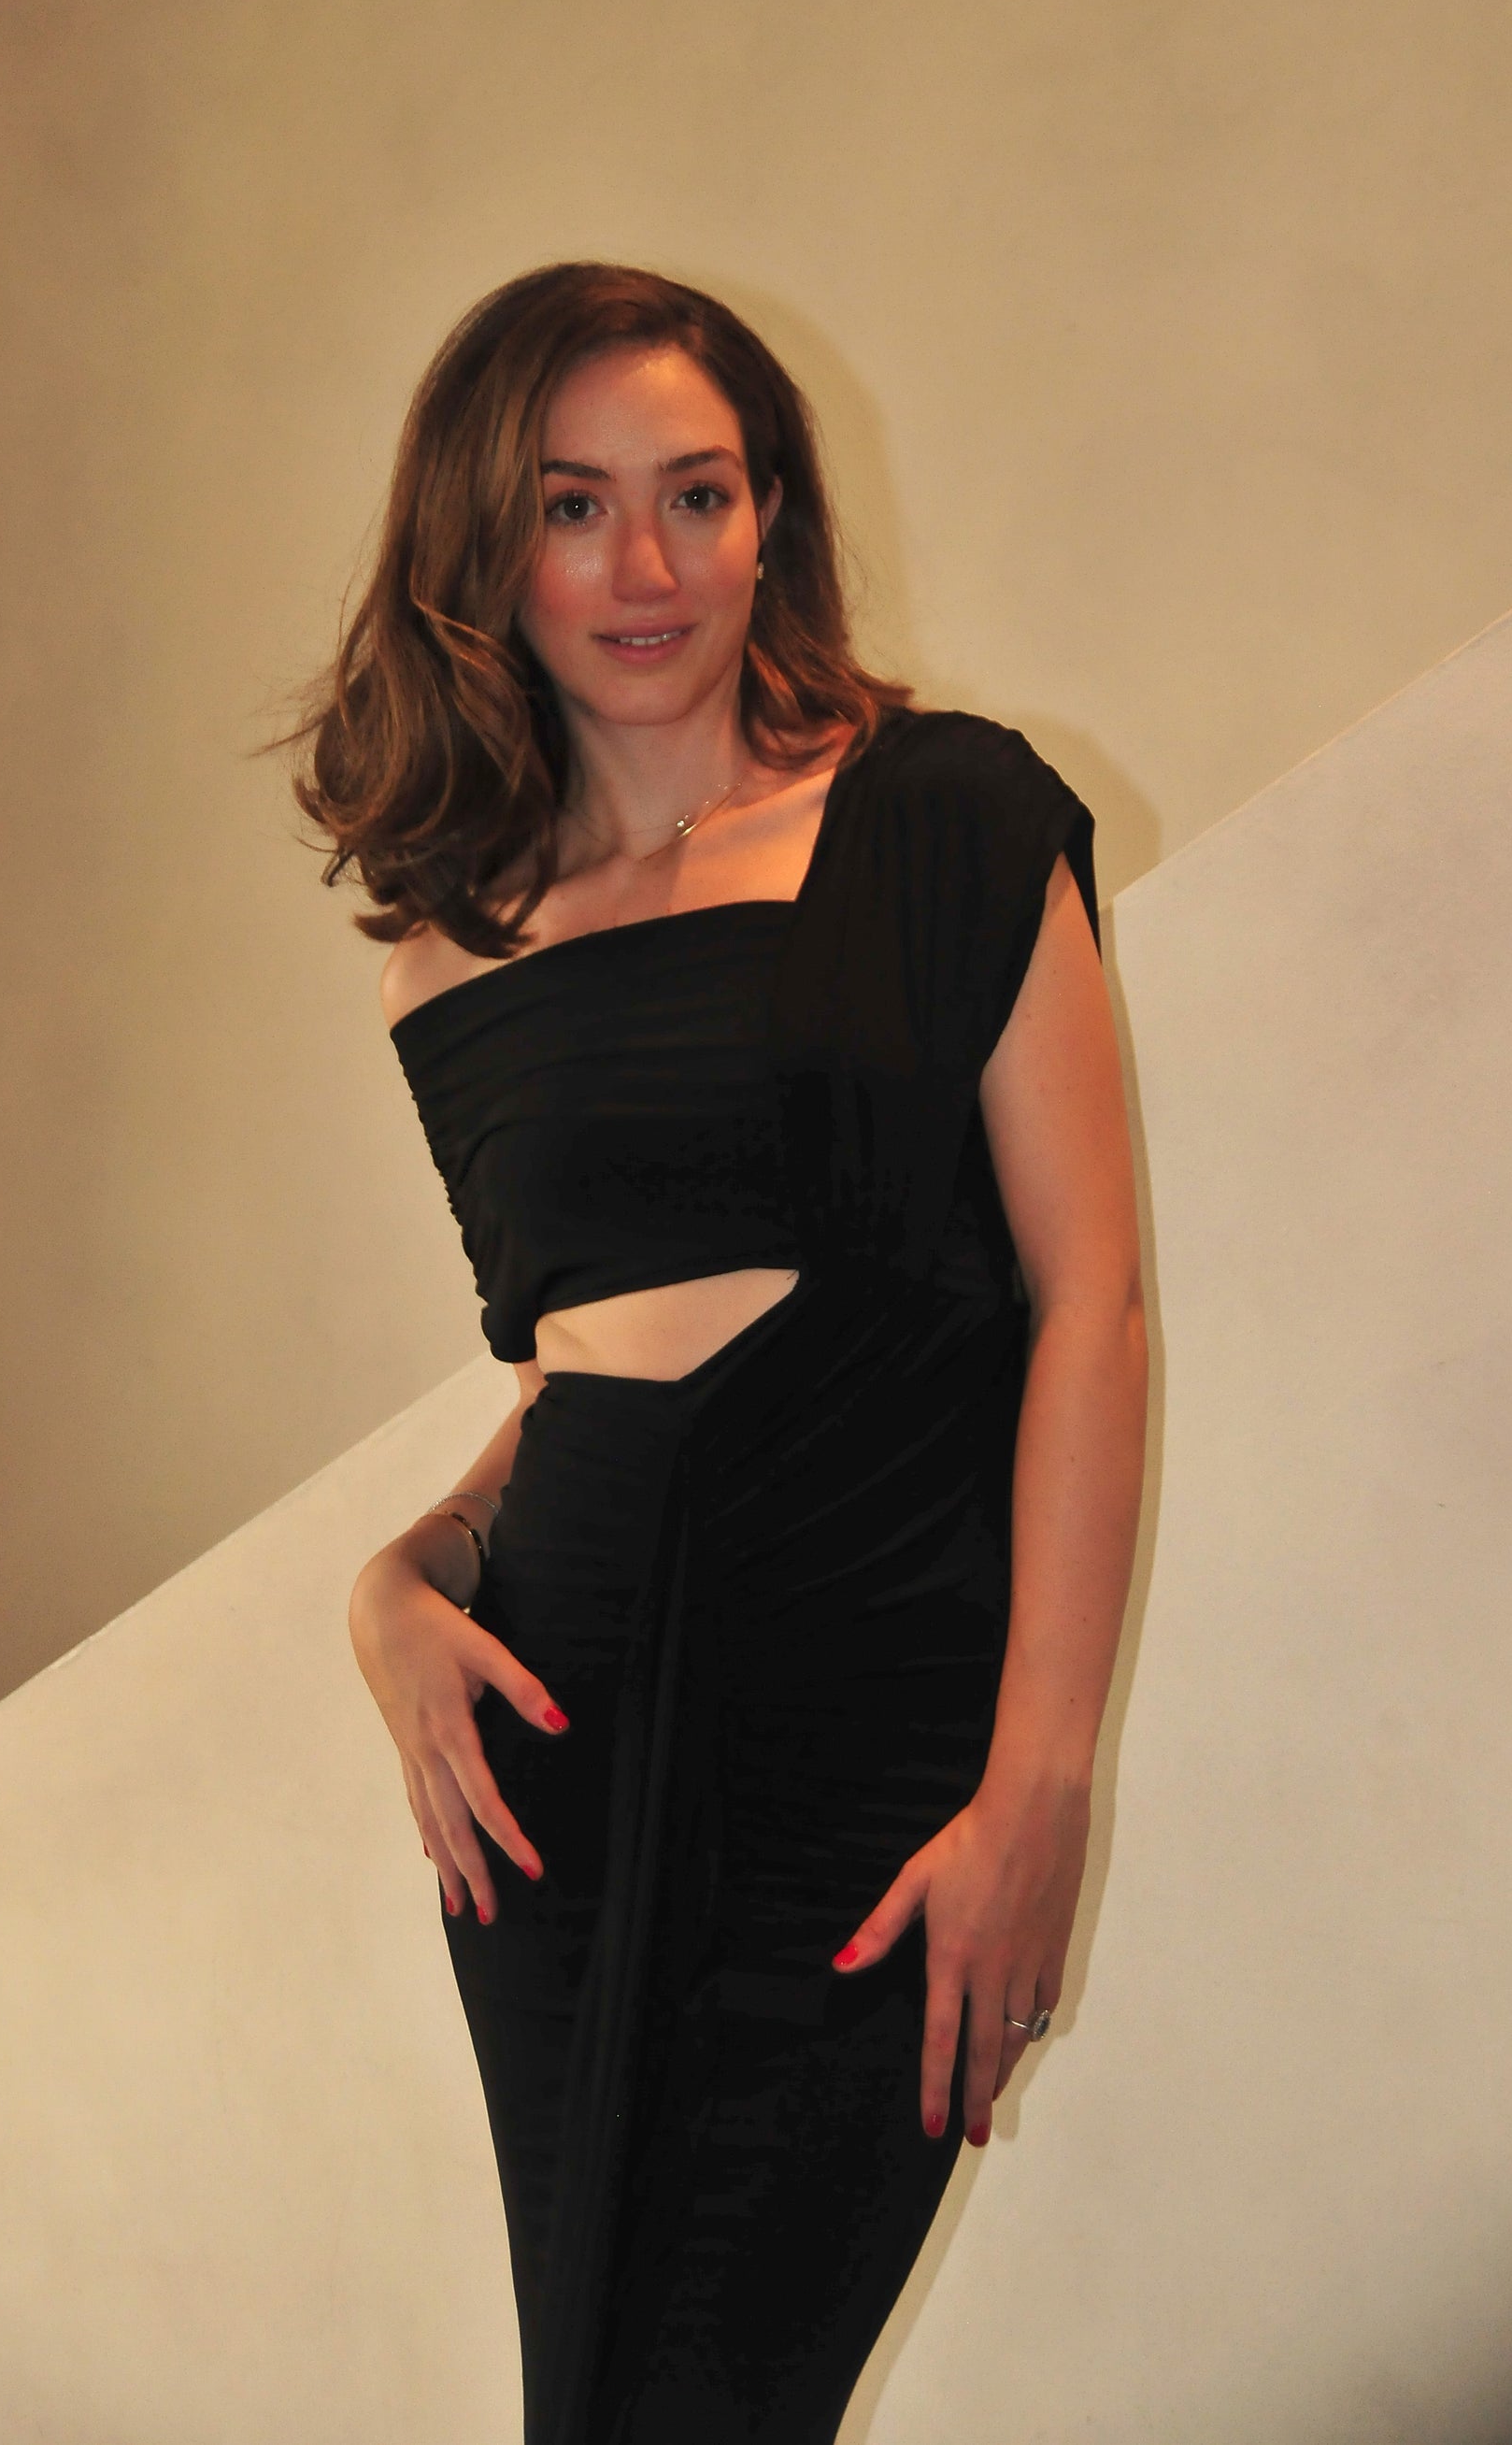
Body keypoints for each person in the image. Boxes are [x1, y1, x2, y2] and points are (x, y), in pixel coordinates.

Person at [278, 262, 1148, 2445]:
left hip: (871, 1746)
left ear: (774, 516)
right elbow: (570, 1378)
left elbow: (1093, 1304)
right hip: (557, 1758)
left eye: (697, 491)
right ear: (483, 547)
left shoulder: (950, 818)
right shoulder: (442, 966)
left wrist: (1039, 1781)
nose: (645, 565)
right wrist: (392, 1584)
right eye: (572, 507)